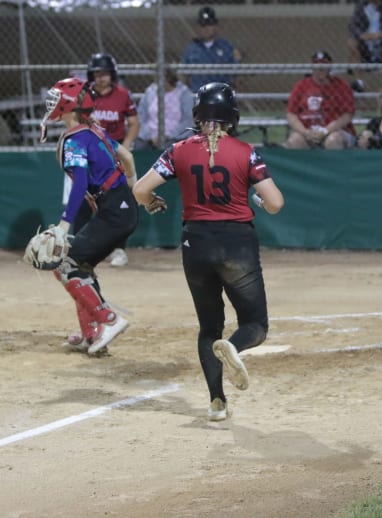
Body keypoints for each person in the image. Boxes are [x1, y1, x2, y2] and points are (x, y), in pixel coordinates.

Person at [133, 82, 284, 422]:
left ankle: (217, 402)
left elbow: (140, 190)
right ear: (232, 117)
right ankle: (235, 346)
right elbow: (275, 203)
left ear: (198, 115)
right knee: (255, 323)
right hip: (236, 243)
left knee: (208, 326)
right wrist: (259, 201)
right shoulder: (245, 152)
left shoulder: (178, 151)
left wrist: (152, 202)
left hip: (196, 243)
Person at [38, 77, 142, 355]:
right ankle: (91, 334)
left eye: (57, 98)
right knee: (79, 266)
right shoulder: (92, 129)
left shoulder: (75, 139)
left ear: (69, 105)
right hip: (120, 208)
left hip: (113, 212)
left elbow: (80, 183)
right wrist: (134, 190)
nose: (51, 103)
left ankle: (109, 320)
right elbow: (127, 157)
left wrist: (64, 224)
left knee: (66, 266)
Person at [84, 52, 141, 266]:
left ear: (112, 75)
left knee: (119, 202)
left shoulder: (123, 95)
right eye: (97, 74)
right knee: (86, 200)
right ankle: (85, 246)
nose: (101, 78)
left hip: (115, 152)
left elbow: (134, 123)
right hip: (91, 152)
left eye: (105, 74)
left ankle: (118, 249)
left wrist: (124, 147)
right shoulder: (85, 95)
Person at [284, 51, 357, 150]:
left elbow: (348, 115)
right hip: (307, 131)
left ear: (330, 66)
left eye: (324, 65)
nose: (320, 68)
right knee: (295, 140)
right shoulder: (301, 86)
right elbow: (291, 114)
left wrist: (326, 131)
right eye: (317, 65)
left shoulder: (341, 86)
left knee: (333, 140)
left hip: (336, 131)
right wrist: (305, 132)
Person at [346, 0, 382, 92]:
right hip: (366, 44)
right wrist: (362, 35)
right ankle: (359, 82)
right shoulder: (362, 5)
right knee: (351, 43)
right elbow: (353, 25)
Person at [181, 6, 242, 93]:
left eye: (209, 24)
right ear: (199, 27)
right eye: (203, 25)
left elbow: (237, 75)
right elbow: (183, 76)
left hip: (220, 95)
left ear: (216, 26)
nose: (206, 28)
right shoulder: (191, 48)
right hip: (198, 95)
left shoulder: (226, 46)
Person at [134, 67, 195, 150]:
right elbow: (141, 116)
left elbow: (188, 120)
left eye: (160, 78)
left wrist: (168, 136)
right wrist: (150, 136)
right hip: (150, 135)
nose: (157, 82)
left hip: (175, 136)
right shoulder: (150, 91)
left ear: (169, 78)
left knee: (168, 148)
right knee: (139, 145)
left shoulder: (184, 93)